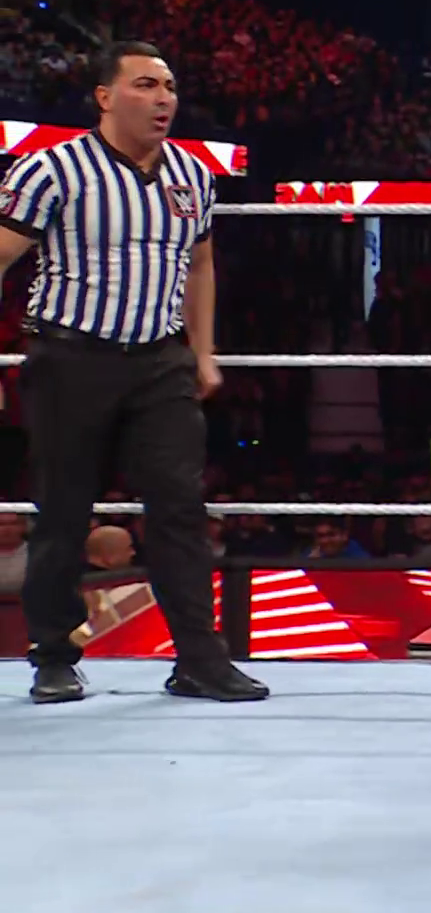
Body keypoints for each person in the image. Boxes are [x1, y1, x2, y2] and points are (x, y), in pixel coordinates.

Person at [0, 40, 267, 704]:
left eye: (169, 86)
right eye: (146, 85)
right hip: (71, 357)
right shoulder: (52, 170)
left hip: (160, 361)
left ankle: (200, 659)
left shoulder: (193, 174)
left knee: (180, 507)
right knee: (64, 510)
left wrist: (202, 352)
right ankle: (53, 656)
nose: (163, 98)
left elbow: (200, 265)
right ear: (105, 97)